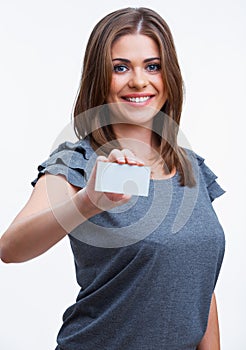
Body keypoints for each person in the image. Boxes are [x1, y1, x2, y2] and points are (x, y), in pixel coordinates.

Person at [0, 7, 225, 350]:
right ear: (99, 78)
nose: (138, 80)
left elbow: (199, 284)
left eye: (153, 66)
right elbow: (10, 248)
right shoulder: (78, 162)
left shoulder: (191, 167)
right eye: (120, 68)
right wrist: (87, 201)